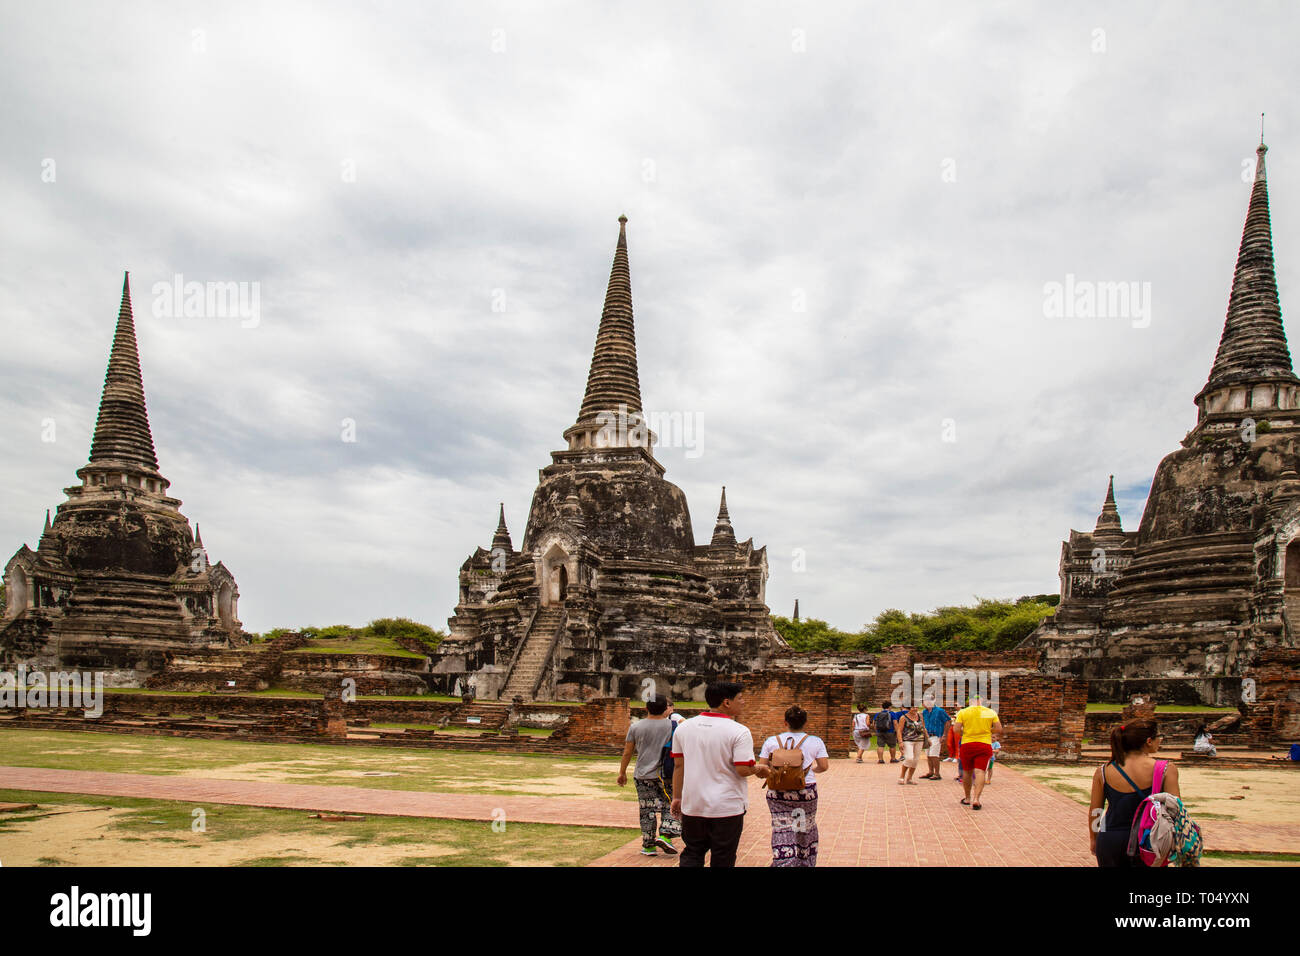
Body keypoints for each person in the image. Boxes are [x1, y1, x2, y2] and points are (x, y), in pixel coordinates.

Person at [670, 680, 768, 867]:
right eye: (740, 698)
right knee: (723, 856)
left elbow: (678, 766)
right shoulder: (739, 731)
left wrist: (677, 797)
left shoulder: (684, 728)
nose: (744, 702)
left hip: (694, 804)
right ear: (727, 702)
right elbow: (743, 769)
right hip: (726, 807)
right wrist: (759, 769)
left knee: (693, 852)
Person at [1088, 718, 1180, 867]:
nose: (1161, 740)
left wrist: (1094, 838)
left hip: (1111, 839)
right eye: (1159, 737)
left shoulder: (1103, 771)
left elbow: (1096, 811)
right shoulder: (1166, 770)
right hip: (1149, 841)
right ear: (1149, 741)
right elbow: (1176, 810)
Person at [757, 704, 830, 866]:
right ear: (805, 723)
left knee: (781, 826)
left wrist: (777, 773)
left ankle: (784, 860)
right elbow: (824, 766)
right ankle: (804, 860)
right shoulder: (815, 741)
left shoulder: (771, 741)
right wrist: (810, 771)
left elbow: (761, 768)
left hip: (778, 793)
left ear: (785, 722)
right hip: (806, 791)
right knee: (803, 826)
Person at [617, 693, 681, 855]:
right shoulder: (673, 726)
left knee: (647, 810)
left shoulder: (636, 727)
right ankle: (666, 835)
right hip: (666, 774)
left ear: (646, 708)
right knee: (671, 804)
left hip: (643, 775)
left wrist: (622, 772)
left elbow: (627, 752)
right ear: (666, 709)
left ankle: (649, 845)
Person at [954, 696, 1001, 810]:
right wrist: (987, 732)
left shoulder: (963, 712)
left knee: (967, 771)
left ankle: (967, 798)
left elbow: (956, 729)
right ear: (983, 701)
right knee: (980, 772)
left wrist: (966, 733)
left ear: (970, 701)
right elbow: (998, 729)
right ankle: (976, 799)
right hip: (984, 743)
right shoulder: (989, 712)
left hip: (967, 743)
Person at [921, 697, 951, 780]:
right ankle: (931, 772)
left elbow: (948, 722)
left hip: (936, 735)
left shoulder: (939, 711)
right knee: (928, 755)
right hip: (928, 736)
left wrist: (944, 735)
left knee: (934, 755)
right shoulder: (924, 712)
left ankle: (937, 773)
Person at [898, 703, 927, 784]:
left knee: (915, 760)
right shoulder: (903, 718)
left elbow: (923, 727)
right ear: (909, 708)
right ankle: (902, 776)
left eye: (916, 707)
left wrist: (927, 738)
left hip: (919, 740)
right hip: (908, 740)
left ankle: (909, 778)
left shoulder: (920, 716)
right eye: (913, 707)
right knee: (909, 758)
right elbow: (899, 730)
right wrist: (900, 742)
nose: (915, 709)